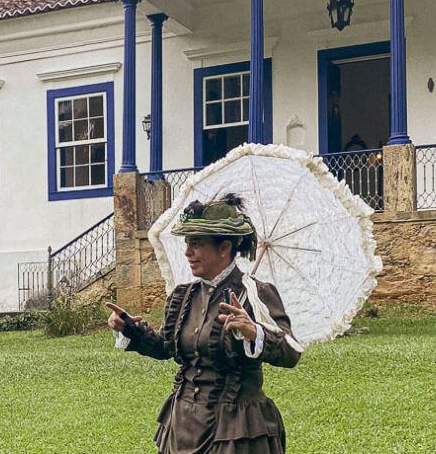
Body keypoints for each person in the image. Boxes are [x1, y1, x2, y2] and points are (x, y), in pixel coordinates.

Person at [106, 194, 302, 454]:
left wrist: (254, 331)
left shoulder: (255, 294)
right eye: (187, 243)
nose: (188, 252)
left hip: (237, 430)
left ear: (224, 248)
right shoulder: (183, 296)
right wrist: (129, 328)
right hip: (183, 424)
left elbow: (290, 353)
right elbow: (166, 346)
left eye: (196, 244)